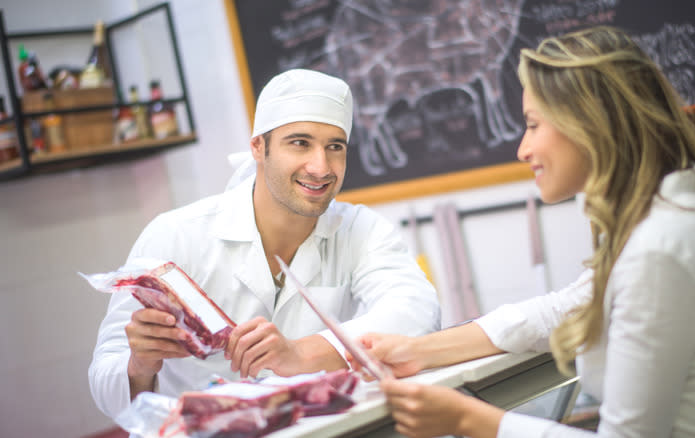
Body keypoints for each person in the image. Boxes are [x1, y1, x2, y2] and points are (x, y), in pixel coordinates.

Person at [351, 26, 695, 437]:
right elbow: (566, 308)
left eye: (534, 124)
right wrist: (418, 349)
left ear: (591, 122)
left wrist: (468, 420)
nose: (523, 148)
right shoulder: (679, 207)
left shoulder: (660, 248)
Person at [88, 68, 441, 420]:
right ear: (258, 146)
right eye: (300, 143)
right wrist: (139, 365)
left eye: (335, 147)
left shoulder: (359, 230)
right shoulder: (177, 234)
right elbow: (106, 385)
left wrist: (303, 354)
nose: (321, 167)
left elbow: (418, 311)